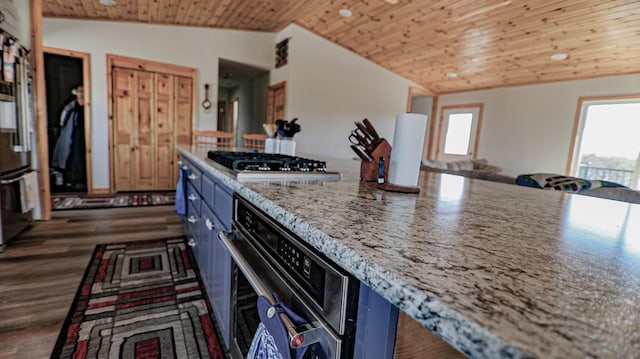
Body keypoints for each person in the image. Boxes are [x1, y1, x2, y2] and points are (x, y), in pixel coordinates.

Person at [51, 84, 86, 190]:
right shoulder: (70, 107)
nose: (81, 94)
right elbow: (62, 123)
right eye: (79, 92)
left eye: (82, 92)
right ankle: (71, 180)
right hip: (73, 137)